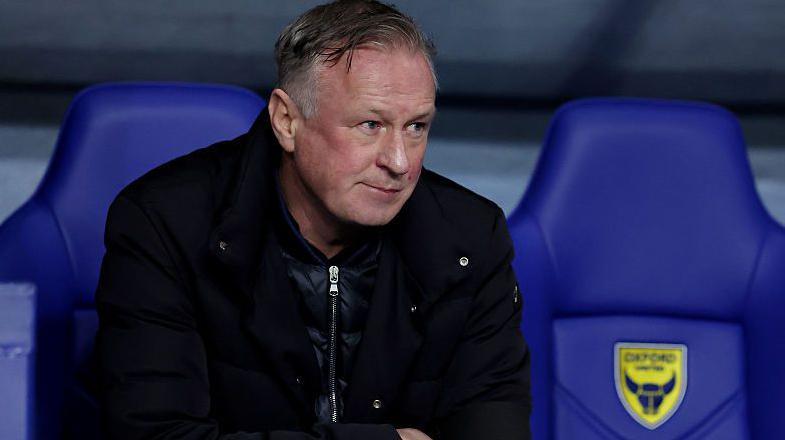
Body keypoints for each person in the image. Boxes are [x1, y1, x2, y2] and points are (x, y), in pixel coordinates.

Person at [95, 1, 531, 439]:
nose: (400, 162)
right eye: (370, 124)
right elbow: (153, 434)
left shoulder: (472, 238)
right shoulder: (163, 224)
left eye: (417, 126)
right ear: (286, 121)